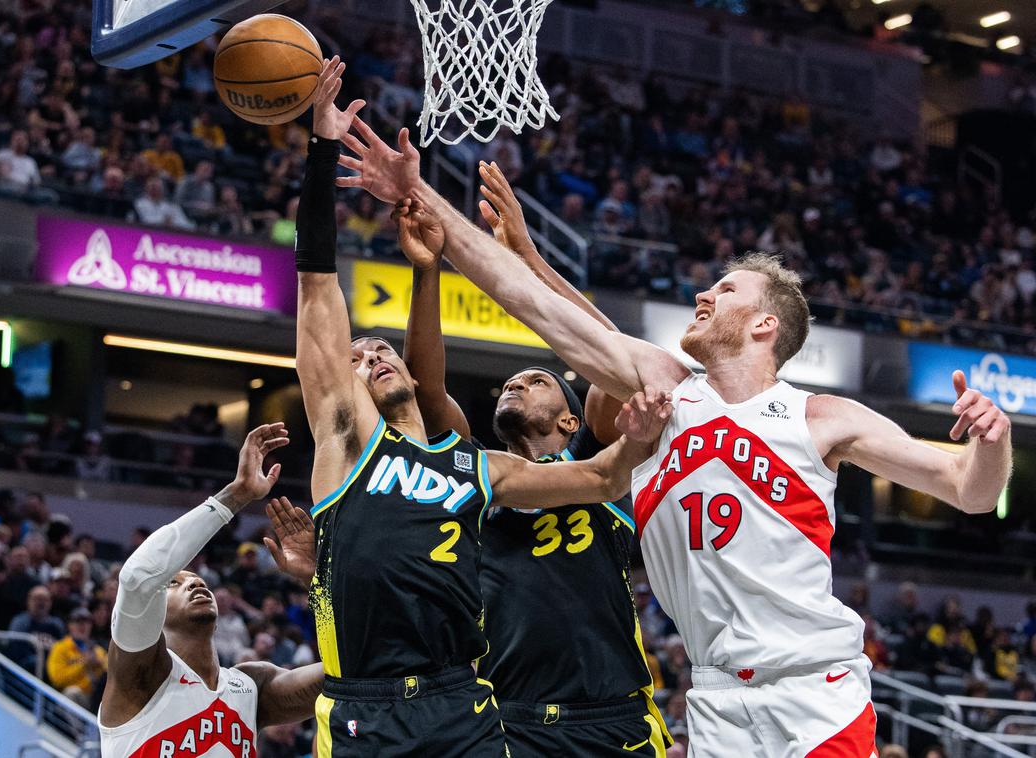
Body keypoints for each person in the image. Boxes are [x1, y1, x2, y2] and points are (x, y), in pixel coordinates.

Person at [338, 120, 1013, 755]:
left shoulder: (822, 417)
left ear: (764, 326)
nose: (704, 297)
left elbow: (969, 490)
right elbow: (533, 302)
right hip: (715, 697)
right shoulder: (664, 391)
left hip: (818, 689)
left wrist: (992, 441)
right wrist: (418, 192)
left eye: (724, 290)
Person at [293, 58, 652, 757]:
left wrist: (640, 439)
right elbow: (318, 293)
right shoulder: (351, 440)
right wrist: (320, 151)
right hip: (395, 706)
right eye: (360, 357)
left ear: (572, 418)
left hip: (491, 707)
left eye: (382, 350)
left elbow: (607, 470)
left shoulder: (477, 467)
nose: (375, 358)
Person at [392, 162, 669, 755]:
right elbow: (427, 391)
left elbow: (618, 359)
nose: (516, 383)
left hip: (613, 714)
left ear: (571, 420)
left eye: (537, 378)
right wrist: (427, 272)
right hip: (507, 717)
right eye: (513, 382)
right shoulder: (476, 469)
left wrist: (530, 259)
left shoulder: (602, 456)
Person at [98, 424, 325, 756]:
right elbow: (139, 577)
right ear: (153, 612)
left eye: (198, 580)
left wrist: (317, 582)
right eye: (174, 583)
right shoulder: (141, 672)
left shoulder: (250, 686)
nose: (193, 582)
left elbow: (351, 668)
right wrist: (238, 494)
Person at [47, 607, 108, 707]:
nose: (82, 626)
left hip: (95, 697)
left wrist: (100, 665)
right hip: (70, 696)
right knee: (72, 693)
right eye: (78, 622)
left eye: (86, 622)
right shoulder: (60, 648)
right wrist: (83, 664)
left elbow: (109, 675)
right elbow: (57, 679)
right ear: (70, 625)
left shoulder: (98, 650)